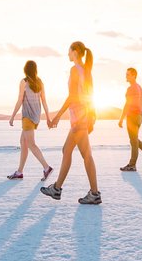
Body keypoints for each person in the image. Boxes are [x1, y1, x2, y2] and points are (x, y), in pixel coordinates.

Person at [40, 41, 101, 204]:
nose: (67, 54)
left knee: (86, 156)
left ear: (74, 52)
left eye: (68, 51)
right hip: (83, 117)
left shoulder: (75, 70)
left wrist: (58, 116)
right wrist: (92, 117)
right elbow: (91, 95)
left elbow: (73, 96)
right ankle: (57, 189)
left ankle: (93, 193)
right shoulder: (86, 71)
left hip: (79, 118)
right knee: (67, 150)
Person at [7, 60, 54, 181]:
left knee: (31, 144)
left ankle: (46, 167)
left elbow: (19, 100)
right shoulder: (39, 82)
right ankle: (19, 171)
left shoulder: (24, 82)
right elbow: (44, 101)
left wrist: (12, 116)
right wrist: (48, 117)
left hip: (27, 117)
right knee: (23, 141)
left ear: (25, 69)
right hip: (36, 117)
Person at [118, 67, 142, 172]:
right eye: (126, 74)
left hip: (132, 117)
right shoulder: (139, 88)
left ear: (134, 75)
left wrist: (121, 119)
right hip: (139, 116)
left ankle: (132, 165)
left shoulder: (131, 89)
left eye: (128, 74)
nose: (126, 76)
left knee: (133, 141)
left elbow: (127, 104)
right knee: (134, 140)